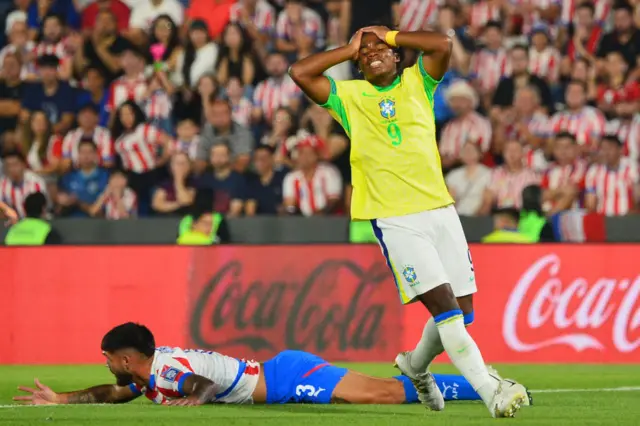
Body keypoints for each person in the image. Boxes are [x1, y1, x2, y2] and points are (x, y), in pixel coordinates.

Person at [289, 25, 527, 417]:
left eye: (378, 48)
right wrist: (348, 51)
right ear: (359, 68)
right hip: (396, 219)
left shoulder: (419, 81)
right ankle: (490, 391)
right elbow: (300, 72)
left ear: (398, 56)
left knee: (464, 311)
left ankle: (415, 367)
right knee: (447, 310)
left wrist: (392, 34)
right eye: (364, 55)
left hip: (441, 210)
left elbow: (443, 44)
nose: (371, 54)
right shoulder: (349, 97)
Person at [13, 322, 531, 406]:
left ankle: (481, 383)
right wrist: (63, 399)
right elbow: (112, 394)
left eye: (107, 359)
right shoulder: (146, 376)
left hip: (286, 378)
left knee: (383, 394)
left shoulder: (167, 370)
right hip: (276, 377)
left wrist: (195, 398)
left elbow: (195, 382)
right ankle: (475, 382)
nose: (106, 367)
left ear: (126, 358)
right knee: (385, 391)